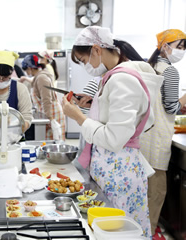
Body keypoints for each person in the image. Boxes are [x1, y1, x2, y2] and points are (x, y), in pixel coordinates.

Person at [61, 26, 164, 238]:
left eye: (83, 60)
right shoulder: (114, 76)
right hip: (113, 169)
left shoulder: (122, 79)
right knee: (110, 230)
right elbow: (117, 119)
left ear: (97, 50)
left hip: (119, 171)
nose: (85, 66)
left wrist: (78, 117)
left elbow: (114, 138)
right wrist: (94, 105)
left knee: (118, 232)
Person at [139, 29, 186, 239]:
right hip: (158, 138)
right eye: (179, 46)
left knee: (143, 190)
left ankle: (144, 227)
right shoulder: (170, 71)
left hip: (143, 135)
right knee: (157, 191)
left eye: (184, 47)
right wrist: (183, 101)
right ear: (165, 46)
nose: (182, 51)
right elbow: (170, 107)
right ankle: (148, 232)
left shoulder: (149, 67)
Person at [22, 54, 65, 141]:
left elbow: (46, 99)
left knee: (54, 144)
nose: (26, 72)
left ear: (30, 68)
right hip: (49, 112)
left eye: (26, 70)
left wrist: (50, 119)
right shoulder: (39, 77)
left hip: (52, 113)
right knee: (49, 143)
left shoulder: (41, 78)